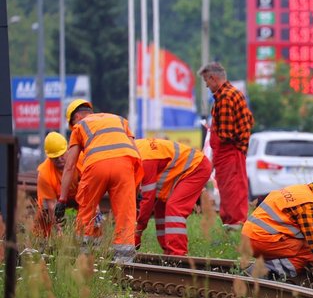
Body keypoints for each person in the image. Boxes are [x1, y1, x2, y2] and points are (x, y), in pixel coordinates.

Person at [58, 99, 142, 262]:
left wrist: (62, 199)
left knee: (87, 211)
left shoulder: (79, 126)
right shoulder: (120, 120)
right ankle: (123, 263)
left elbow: (69, 166)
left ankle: (85, 258)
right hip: (124, 166)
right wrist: (137, 189)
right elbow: (136, 155)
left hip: (96, 166)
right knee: (125, 215)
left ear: (75, 117)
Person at [241, 167, 313, 280]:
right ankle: (263, 272)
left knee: (307, 248)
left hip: (250, 237)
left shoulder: (299, 190)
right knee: (309, 254)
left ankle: (269, 267)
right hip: (260, 240)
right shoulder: (309, 204)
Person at [134, 137, 213, 255]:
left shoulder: (146, 161)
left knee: (174, 207)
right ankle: (168, 250)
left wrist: (138, 230)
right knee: (161, 207)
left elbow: (148, 199)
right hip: (181, 171)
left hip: (197, 167)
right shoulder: (136, 148)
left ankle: (178, 254)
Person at [198, 62, 253, 230]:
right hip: (232, 153)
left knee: (232, 192)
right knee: (232, 190)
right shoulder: (234, 93)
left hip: (229, 153)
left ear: (213, 78)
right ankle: (233, 226)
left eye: (207, 80)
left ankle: (235, 228)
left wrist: (214, 143)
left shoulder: (225, 98)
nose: (207, 85)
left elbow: (225, 134)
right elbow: (248, 121)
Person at [33, 132, 82, 237]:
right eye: (55, 158)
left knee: (90, 210)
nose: (60, 160)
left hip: (78, 196)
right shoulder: (44, 173)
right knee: (43, 211)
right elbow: (52, 206)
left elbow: (91, 189)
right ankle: (42, 241)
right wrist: (59, 231)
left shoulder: (80, 160)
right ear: (49, 157)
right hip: (55, 200)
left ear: (68, 149)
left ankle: (90, 237)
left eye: (62, 155)